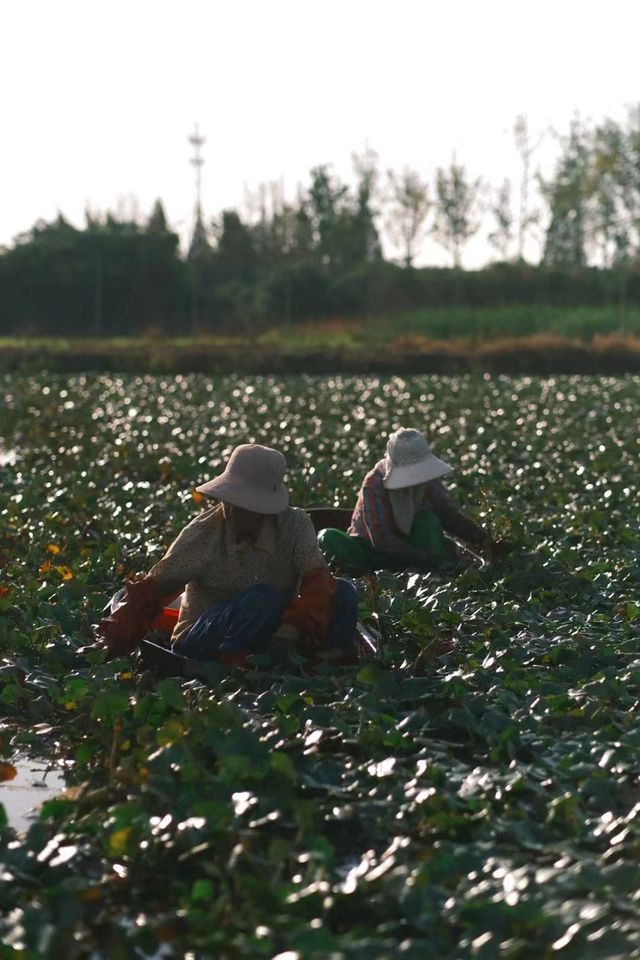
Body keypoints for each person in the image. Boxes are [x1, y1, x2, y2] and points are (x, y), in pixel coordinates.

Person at [96, 444, 359, 662]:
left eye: (248, 506)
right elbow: (152, 591)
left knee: (344, 591)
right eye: (233, 502)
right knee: (263, 598)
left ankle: (329, 660)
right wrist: (116, 635)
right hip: (203, 639)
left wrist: (301, 620)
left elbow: (317, 580)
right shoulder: (203, 535)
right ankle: (236, 668)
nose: (235, 511)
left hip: (271, 633)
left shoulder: (295, 525)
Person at [318, 427, 493, 573]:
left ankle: (434, 569)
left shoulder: (427, 479)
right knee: (328, 537)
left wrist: (482, 539)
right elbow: (380, 536)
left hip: (415, 545)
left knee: (428, 521)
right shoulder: (375, 483)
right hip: (370, 551)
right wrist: (418, 557)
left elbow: (447, 514)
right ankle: (368, 573)